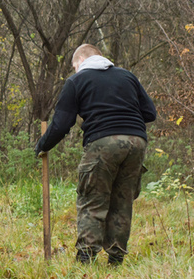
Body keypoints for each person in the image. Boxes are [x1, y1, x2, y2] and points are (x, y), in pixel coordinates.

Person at [35, 44, 156, 266]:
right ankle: (116, 260)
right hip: (137, 142)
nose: (74, 70)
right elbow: (150, 113)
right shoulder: (127, 76)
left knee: (92, 199)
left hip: (103, 143)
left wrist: (43, 145)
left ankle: (86, 259)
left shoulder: (77, 81)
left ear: (80, 61)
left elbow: (61, 124)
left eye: (74, 66)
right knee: (123, 201)